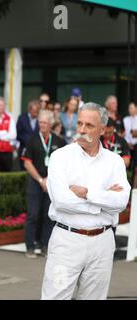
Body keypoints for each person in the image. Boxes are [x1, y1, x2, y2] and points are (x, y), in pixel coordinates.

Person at [42, 102, 131, 300]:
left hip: (103, 242)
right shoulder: (60, 157)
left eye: (89, 125)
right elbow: (62, 201)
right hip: (67, 240)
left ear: (103, 129)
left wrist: (87, 193)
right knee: (55, 297)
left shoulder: (114, 161)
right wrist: (102, 202)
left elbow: (122, 200)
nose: (82, 130)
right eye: (79, 123)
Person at [20, 110, 66, 259]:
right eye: (40, 122)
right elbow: (27, 163)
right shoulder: (32, 140)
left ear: (51, 124)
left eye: (45, 122)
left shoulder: (59, 141)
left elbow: (63, 165)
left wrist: (49, 180)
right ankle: (30, 247)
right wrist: (41, 180)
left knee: (49, 215)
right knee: (33, 214)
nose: (42, 125)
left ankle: (46, 246)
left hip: (52, 183)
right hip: (35, 182)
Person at [16, 100, 40, 169]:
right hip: (24, 148)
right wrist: (27, 140)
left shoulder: (40, 119)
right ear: (29, 110)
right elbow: (18, 134)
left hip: (37, 149)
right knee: (23, 168)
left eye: (37, 111)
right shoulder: (22, 118)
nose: (36, 113)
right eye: (34, 111)